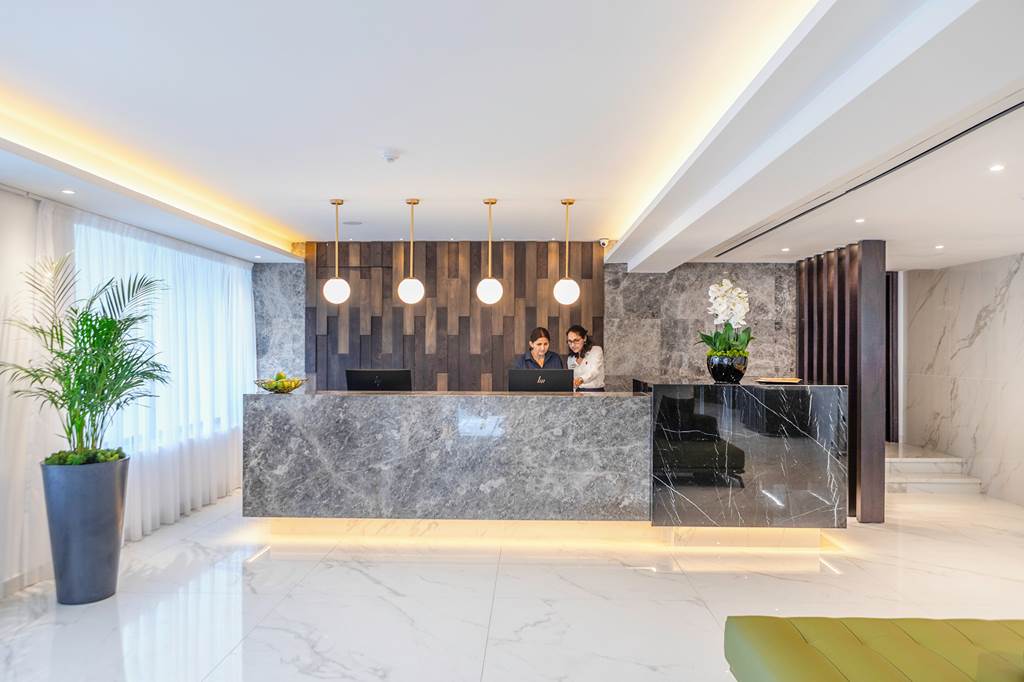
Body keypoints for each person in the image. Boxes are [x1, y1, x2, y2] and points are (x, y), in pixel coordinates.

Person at [566, 324, 605, 392]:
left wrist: (581, 379)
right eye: (570, 341)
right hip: (578, 393)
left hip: (596, 392)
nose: (572, 345)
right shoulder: (570, 358)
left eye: (576, 340)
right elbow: (573, 382)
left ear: (584, 338)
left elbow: (593, 371)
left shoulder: (596, 350)